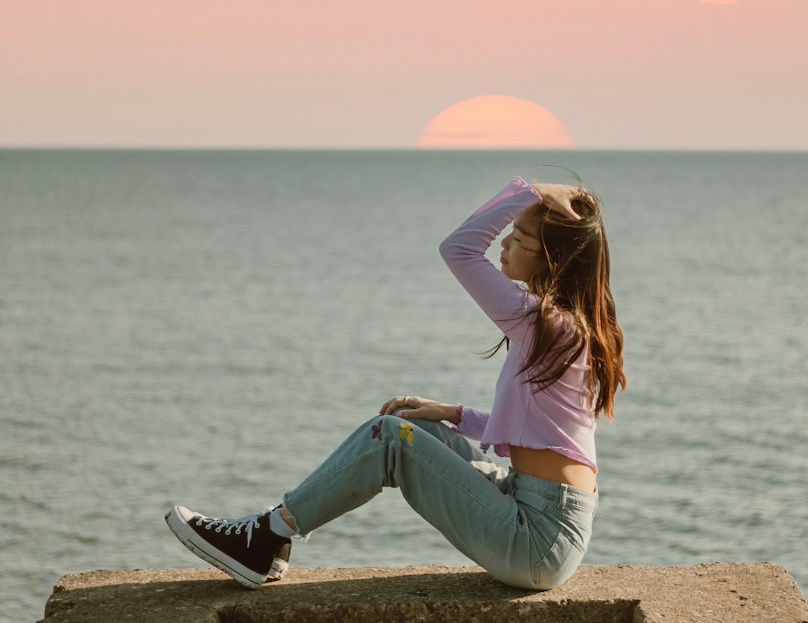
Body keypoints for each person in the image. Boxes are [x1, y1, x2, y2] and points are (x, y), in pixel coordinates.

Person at [165, 175, 626, 592]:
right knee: (414, 427)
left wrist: (533, 191)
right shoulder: (568, 327)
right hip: (537, 507)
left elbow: (460, 249)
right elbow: (546, 431)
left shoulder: (547, 325)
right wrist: (456, 415)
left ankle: (266, 534)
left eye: (520, 236)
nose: (504, 242)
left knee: (392, 437)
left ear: (552, 258)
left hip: (537, 538)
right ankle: (274, 541)